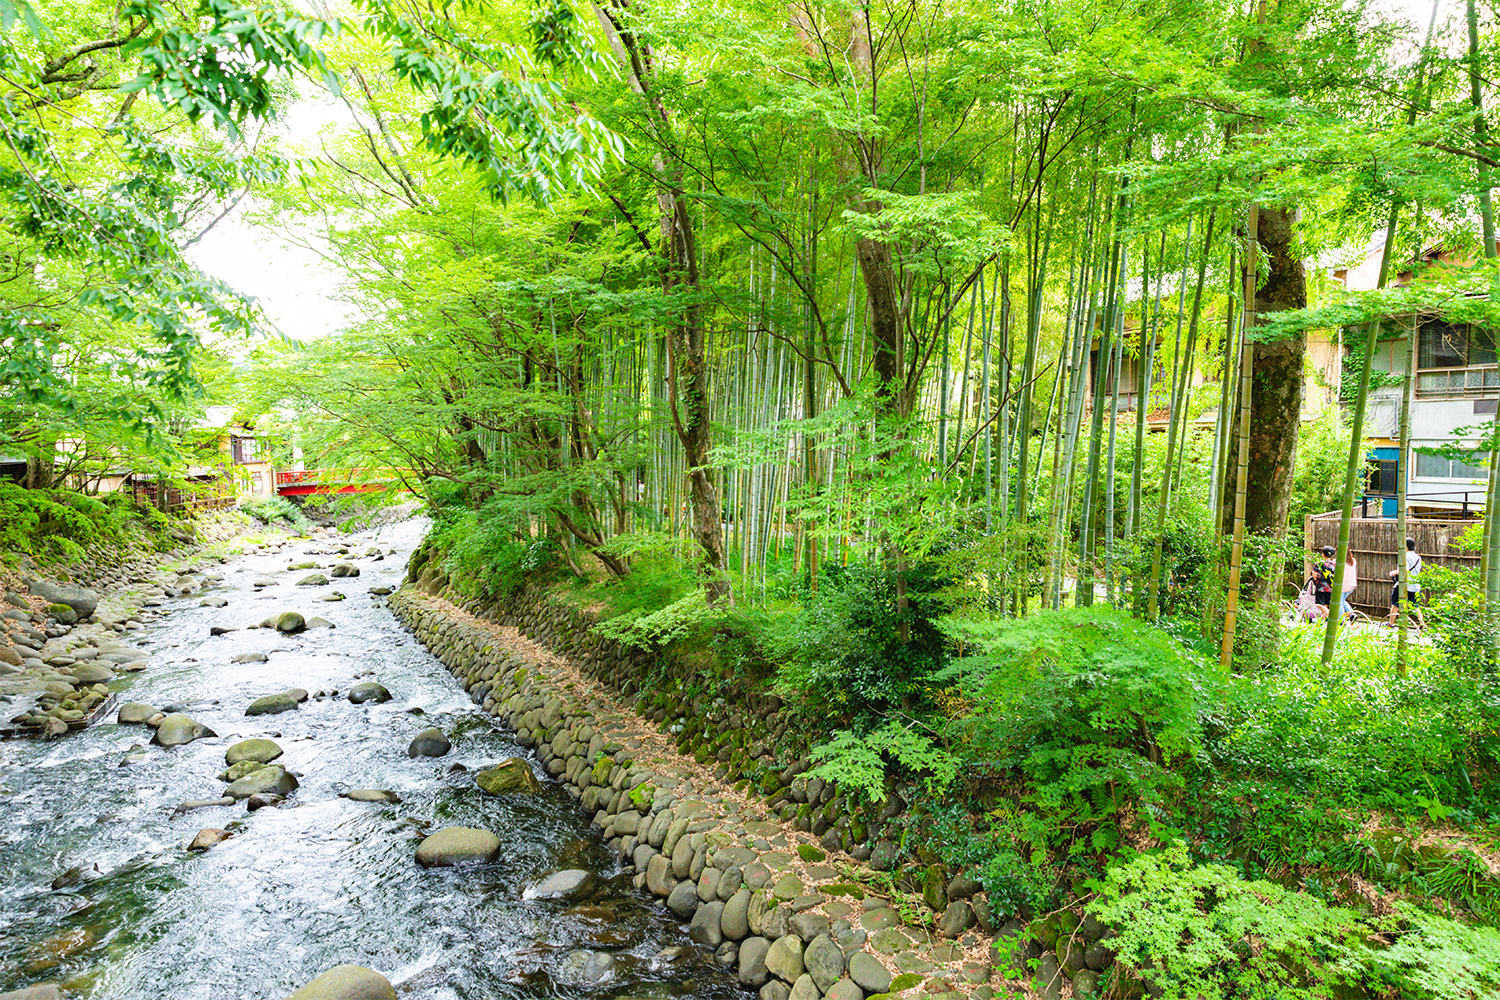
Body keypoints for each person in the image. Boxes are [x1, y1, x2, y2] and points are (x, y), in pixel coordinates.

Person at [1388, 537, 1426, 631]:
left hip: (1404, 585)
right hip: (1415, 585)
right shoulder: (1418, 557)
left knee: (1395, 604)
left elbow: (1405, 570)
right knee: (1415, 605)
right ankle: (1422, 623)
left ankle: (1391, 623)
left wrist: (1394, 572)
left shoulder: (1404, 556)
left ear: (1406, 546)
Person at [1309, 545, 1336, 620]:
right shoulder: (1334, 564)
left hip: (1320, 587)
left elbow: (1314, 574)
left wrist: (1315, 582)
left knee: (1319, 604)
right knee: (1326, 604)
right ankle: (1323, 620)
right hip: (1331, 588)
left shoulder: (1319, 563)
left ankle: (1332, 615)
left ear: (1323, 554)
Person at [1340, 549, 1358, 621]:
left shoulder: (1338, 562)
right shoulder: (1353, 561)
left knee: (1339, 603)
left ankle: (1342, 620)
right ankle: (1352, 614)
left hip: (1342, 586)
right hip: (1352, 585)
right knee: (1342, 600)